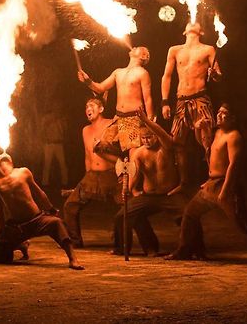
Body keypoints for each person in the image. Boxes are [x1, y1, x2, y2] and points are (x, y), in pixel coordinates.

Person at [165, 103, 247, 267]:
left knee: (243, 222)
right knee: (190, 213)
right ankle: (185, 250)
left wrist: (226, 190)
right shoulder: (218, 132)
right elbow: (204, 145)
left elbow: (233, 165)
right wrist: (196, 129)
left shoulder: (234, 136)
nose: (220, 116)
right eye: (219, 113)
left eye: (225, 114)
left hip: (225, 184)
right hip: (211, 184)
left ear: (233, 118)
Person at [0, 153, 84, 270]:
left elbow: (39, 193)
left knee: (57, 223)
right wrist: (1, 228)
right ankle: (20, 244)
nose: (4, 164)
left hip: (37, 220)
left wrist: (50, 209)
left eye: (6, 161)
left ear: (11, 163)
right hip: (17, 227)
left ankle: (73, 259)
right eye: (0, 162)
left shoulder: (23, 172)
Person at [111, 108, 186, 256]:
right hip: (148, 195)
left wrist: (146, 121)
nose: (146, 141)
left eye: (150, 137)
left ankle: (192, 249)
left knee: (187, 215)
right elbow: (134, 174)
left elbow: (165, 137)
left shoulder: (165, 147)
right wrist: (129, 189)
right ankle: (126, 248)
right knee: (121, 216)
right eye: (143, 138)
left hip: (169, 195)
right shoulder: (138, 153)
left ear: (156, 136)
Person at [161, 21, 222, 192]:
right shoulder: (174, 50)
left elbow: (218, 76)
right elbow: (166, 76)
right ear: (184, 30)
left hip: (200, 98)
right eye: (189, 22)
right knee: (177, 143)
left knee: (207, 140)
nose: (192, 23)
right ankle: (183, 182)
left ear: (201, 31)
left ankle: (213, 178)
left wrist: (214, 74)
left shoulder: (208, 49)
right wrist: (165, 101)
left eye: (196, 23)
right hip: (181, 101)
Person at [63, 98, 122, 248]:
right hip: (92, 176)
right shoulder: (85, 130)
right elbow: (87, 156)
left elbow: (120, 151)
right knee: (70, 206)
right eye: (86, 106)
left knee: (128, 208)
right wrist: (85, 178)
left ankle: (132, 245)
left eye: (91, 105)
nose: (88, 109)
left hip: (111, 174)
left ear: (101, 109)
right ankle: (75, 242)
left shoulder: (112, 124)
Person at [78, 46, 154, 159]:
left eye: (138, 48)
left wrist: (150, 122)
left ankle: (130, 171)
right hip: (119, 118)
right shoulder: (118, 72)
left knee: (133, 155)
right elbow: (100, 88)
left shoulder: (142, 73)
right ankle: (123, 167)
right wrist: (88, 81)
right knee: (101, 147)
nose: (134, 47)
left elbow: (148, 99)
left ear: (144, 56)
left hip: (134, 119)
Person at [41, 110, 69, 187]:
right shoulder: (46, 118)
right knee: (47, 164)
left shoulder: (61, 119)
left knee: (62, 164)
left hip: (59, 144)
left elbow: (65, 129)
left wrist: (60, 121)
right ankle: (45, 183)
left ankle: (65, 182)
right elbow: (42, 129)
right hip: (49, 144)